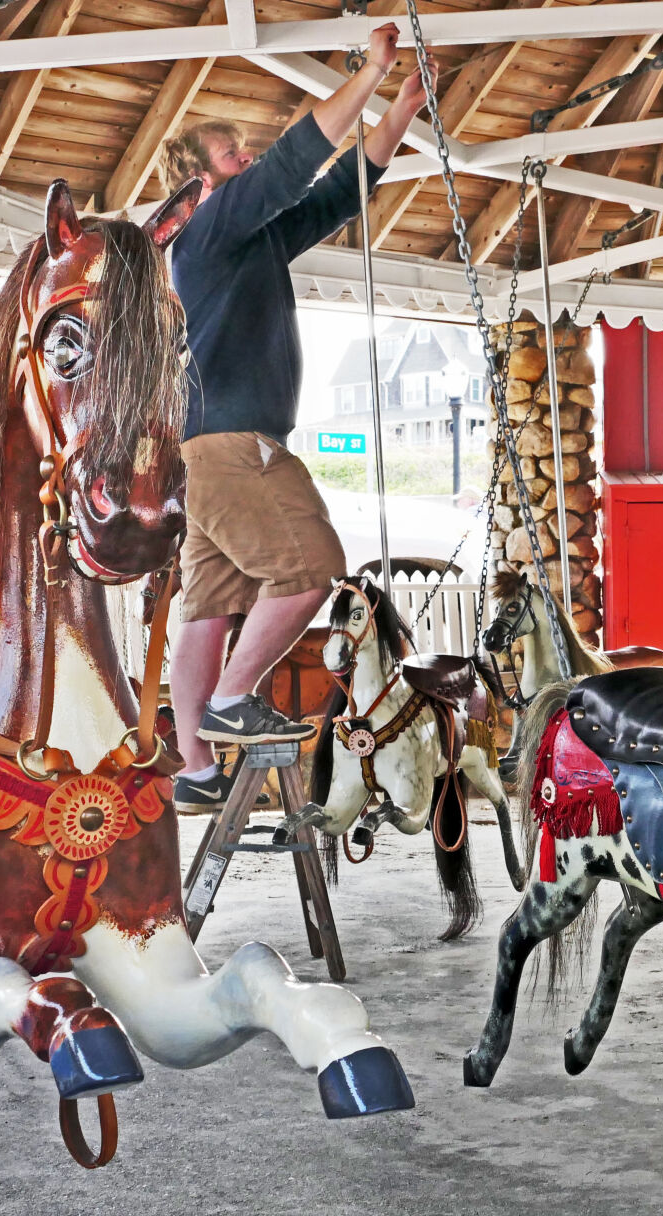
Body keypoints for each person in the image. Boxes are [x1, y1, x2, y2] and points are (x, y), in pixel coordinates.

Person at [161, 24, 434, 810]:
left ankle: (194, 767)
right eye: (229, 155)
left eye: (241, 151)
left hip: (204, 453)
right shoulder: (206, 230)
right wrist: (372, 71)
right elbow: (291, 165)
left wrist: (401, 108)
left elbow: (335, 192)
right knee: (310, 567)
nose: (243, 161)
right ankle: (230, 699)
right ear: (199, 181)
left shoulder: (242, 246)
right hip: (238, 445)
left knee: (208, 607)